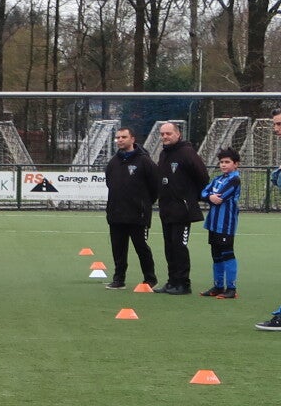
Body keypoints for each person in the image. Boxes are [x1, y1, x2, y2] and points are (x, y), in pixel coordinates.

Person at [152, 121, 208, 295]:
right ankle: (172, 282)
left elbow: (202, 176)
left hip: (182, 210)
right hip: (166, 209)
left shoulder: (187, 153)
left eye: (168, 133)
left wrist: (191, 198)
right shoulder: (164, 154)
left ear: (178, 134)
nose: (165, 137)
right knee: (169, 247)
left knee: (179, 247)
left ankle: (184, 284)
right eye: (162, 134)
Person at [100, 126, 156, 291]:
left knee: (141, 248)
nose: (120, 140)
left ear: (132, 139)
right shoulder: (113, 162)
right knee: (118, 249)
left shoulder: (144, 161)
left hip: (138, 215)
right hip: (116, 214)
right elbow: (110, 183)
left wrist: (144, 204)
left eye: (123, 137)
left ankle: (150, 279)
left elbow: (155, 186)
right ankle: (119, 279)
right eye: (118, 137)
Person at [200, 147, 243, 299]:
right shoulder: (217, 179)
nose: (223, 165)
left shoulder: (234, 179)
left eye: (227, 162)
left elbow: (221, 197)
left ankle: (231, 288)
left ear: (235, 164)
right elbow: (203, 193)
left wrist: (210, 196)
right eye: (221, 162)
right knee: (216, 254)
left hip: (226, 224)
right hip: (213, 223)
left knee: (227, 254)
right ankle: (218, 286)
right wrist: (210, 196)